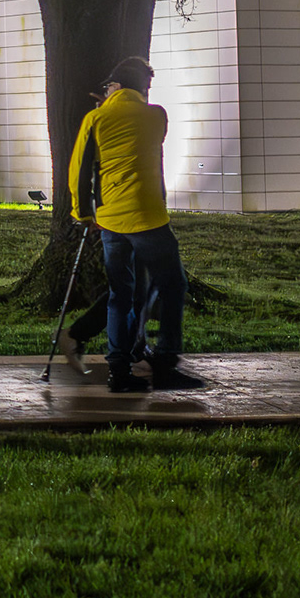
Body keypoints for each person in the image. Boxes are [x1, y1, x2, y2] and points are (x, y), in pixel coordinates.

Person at [69, 56, 205, 392]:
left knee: (121, 293)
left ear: (114, 86)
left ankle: (119, 371)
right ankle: (166, 361)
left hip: (111, 219)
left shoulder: (96, 118)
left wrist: (83, 214)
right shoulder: (156, 116)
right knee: (172, 285)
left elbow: (79, 170)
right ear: (143, 88)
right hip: (148, 218)